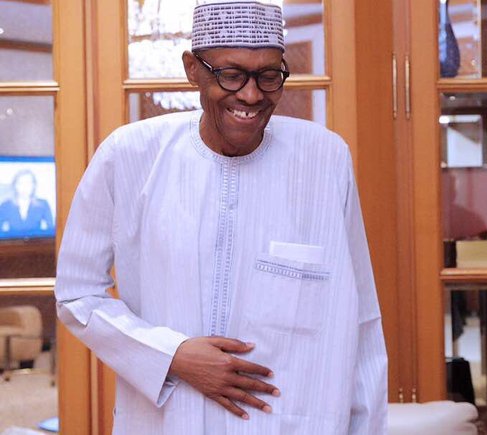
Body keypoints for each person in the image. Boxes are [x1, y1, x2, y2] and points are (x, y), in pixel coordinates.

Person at [54, 2, 387, 434]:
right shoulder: (131, 155)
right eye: (230, 74)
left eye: (268, 75)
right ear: (193, 69)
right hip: (170, 420)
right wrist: (170, 356)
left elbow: (360, 320)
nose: (251, 95)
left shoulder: (324, 159)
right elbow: (77, 294)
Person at [0, 169, 54, 237]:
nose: (24, 187)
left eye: (28, 183)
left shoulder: (43, 204)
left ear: (34, 186)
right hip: (12, 244)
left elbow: (51, 230)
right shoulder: (5, 206)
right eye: (20, 183)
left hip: (37, 244)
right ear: (15, 186)